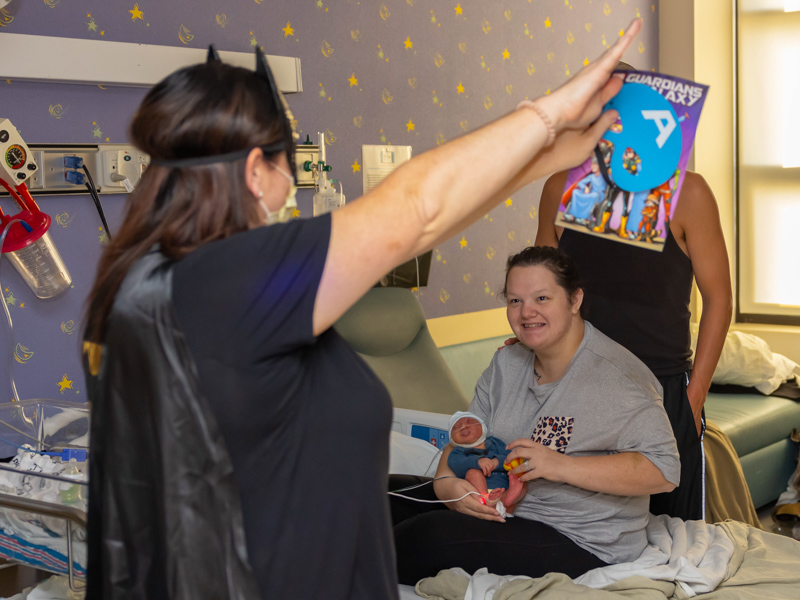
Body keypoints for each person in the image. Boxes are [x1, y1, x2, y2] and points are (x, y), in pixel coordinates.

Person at [390, 246, 679, 585]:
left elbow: (664, 470)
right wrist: (446, 484)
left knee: (426, 538)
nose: (526, 312)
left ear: (574, 300)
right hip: (498, 507)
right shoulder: (506, 364)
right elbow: (466, 436)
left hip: (579, 537)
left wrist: (562, 466)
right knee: (375, 496)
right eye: (515, 301)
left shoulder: (619, 379)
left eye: (542, 298)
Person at [536, 159, 732, 521]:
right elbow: (542, 290)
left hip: (662, 388)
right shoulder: (560, 186)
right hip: (578, 385)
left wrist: (695, 395)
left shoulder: (689, 193)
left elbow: (719, 299)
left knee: (674, 533)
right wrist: (526, 344)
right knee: (576, 524)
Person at [446, 411, 526, 514]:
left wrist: (496, 462)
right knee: (473, 473)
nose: (463, 426)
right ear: (452, 438)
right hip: (478, 493)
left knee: (520, 476)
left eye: (470, 421)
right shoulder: (457, 452)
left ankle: (508, 498)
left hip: (501, 489)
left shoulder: (495, 443)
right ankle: (487, 501)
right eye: (456, 427)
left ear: (482, 426)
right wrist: (477, 462)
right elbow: (456, 465)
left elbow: (509, 457)